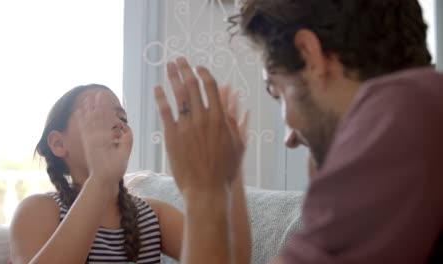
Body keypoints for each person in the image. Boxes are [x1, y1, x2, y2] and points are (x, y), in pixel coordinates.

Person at [153, 0, 443, 263]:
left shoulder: (394, 128)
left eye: (277, 92)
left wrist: (204, 190)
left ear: (308, 52)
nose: (289, 137)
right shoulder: (420, 110)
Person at [9, 84, 251, 264]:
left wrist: (232, 167)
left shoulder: (151, 214)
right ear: (58, 143)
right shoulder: (38, 210)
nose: (118, 123)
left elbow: (232, 260)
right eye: (98, 117)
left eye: (122, 117)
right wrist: (101, 180)